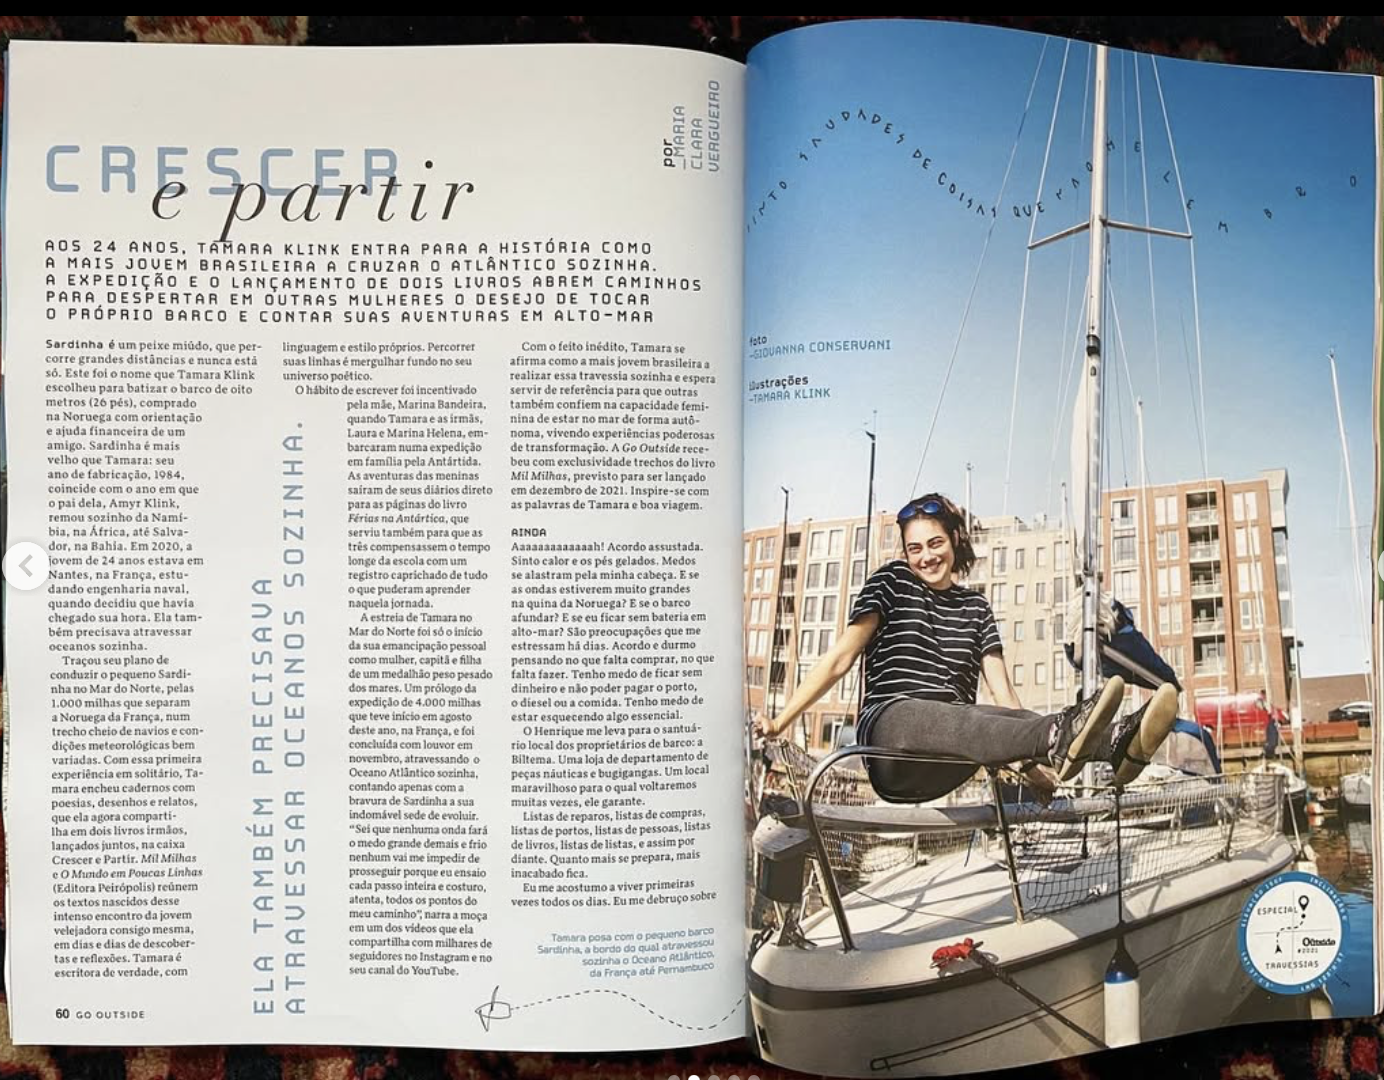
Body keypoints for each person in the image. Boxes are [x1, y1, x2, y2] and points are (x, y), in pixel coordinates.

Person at [754, 493, 1178, 802]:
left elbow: (1003, 697)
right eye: (914, 548)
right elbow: (840, 659)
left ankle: (1116, 744)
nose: (926, 557)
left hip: (951, 762)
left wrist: (1030, 768)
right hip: (891, 747)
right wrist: (780, 722)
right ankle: (1060, 730)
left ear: (954, 540)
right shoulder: (890, 582)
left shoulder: (976, 607)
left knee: (976, 714)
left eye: (935, 543)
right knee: (925, 713)